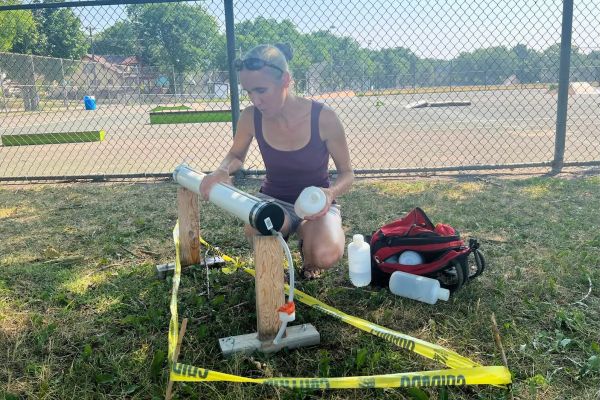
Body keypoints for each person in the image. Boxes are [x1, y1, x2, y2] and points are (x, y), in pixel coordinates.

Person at [200, 43, 354, 279]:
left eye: (261, 90)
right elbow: (236, 155)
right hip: (274, 200)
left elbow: (347, 174)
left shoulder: (324, 117)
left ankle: (308, 242)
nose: (255, 100)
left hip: (315, 204)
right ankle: (285, 244)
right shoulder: (251, 116)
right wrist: (222, 170)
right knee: (257, 230)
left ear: (285, 80)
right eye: (249, 92)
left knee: (323, 255)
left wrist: (330, 194)